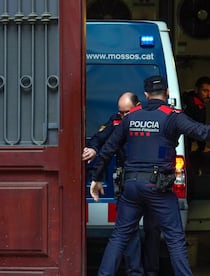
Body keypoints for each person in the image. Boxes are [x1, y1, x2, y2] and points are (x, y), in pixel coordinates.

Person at [89, 75, 210, 276]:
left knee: (119, 236)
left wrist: (96, 178)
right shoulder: (172, 116)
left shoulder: (129, 117)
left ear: (146, 95)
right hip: (158, 188)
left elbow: (108, 148)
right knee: (175, 239)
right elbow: (203, 132)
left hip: (131, 187)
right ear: (167, 93)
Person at [82, 92, 147, 275]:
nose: (124, 116)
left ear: (138, 106)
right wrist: (94, 149)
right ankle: (135, 272)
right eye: (121, 113)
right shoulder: (117, 120)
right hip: (127, 183)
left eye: (127, 112)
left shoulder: (149, 119)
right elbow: (101, 139)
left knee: (153, 231)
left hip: (151, 183)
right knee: (130, 231)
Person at [181, 76, 210, 153]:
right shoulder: (197, 105)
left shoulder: (186, 99)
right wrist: (202, 147)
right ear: (196, 90)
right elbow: (199, 129)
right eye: (205, 91)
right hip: (185, 142)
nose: (209, 95)